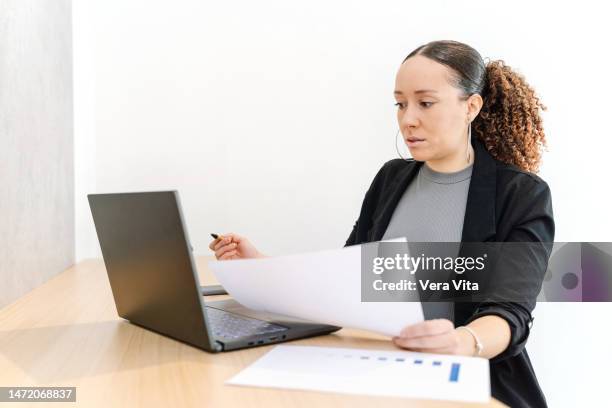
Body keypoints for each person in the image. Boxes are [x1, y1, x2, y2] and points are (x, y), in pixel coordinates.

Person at [209, 40, 554, 408]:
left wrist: (464, 341)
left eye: (426, 102)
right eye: (400, 103)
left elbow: (511, 311)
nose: (408, 119)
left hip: (471, 385)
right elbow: (345, 280)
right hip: (378, 373)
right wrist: (259, 265)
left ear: (471, 106)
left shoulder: (521, 194)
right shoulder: (391, 179)